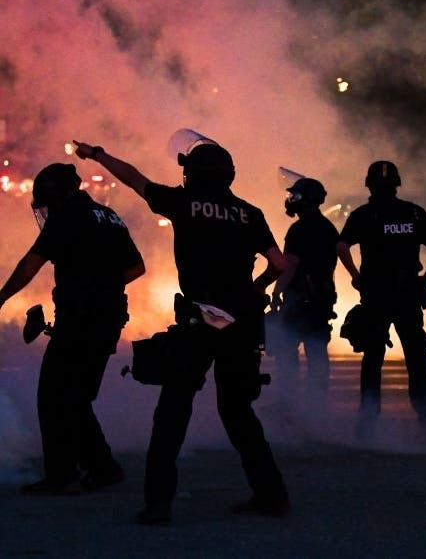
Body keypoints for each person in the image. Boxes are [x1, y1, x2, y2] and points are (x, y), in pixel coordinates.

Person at [73, 138, 289, 524]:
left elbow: (135, 180)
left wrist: (99, 155)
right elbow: (279, 263)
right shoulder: (250, 213)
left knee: (173, 410)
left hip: (201, 318)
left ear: (193, 173)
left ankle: (159, 503)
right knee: (238, 412)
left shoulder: (184, 203)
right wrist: (258, 286)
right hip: (240, 321)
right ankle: (271, 494)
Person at [0, 162, 145, 494]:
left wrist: (2, 296)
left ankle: (61, 475)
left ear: (58, 195)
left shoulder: (66, 217)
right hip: (108, 320)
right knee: (76, 397)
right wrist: (105, 286)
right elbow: (137, 267)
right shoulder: (109, 216)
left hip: (79, 320)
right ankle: (103, 468)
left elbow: (30, 264)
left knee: (53, 396)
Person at [336, 161, 426, 438]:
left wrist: (354, 276)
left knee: (373, 357)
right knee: (416, 356)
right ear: (397, 184)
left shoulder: (364, 214)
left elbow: (341, 245)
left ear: (369, 186)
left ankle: (367, 423)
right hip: (407, 294)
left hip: (376, 294)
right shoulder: (412, 213)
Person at [270, 177, 339, 406]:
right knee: (317, 350)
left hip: (299, 298)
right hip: (323, 296)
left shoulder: (299, 229)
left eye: (296, 196)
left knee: (287, 349)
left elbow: (290, 264)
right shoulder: (329, 228)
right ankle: (316, 403)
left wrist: (278, 289)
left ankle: (287, 402)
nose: (291, 200)